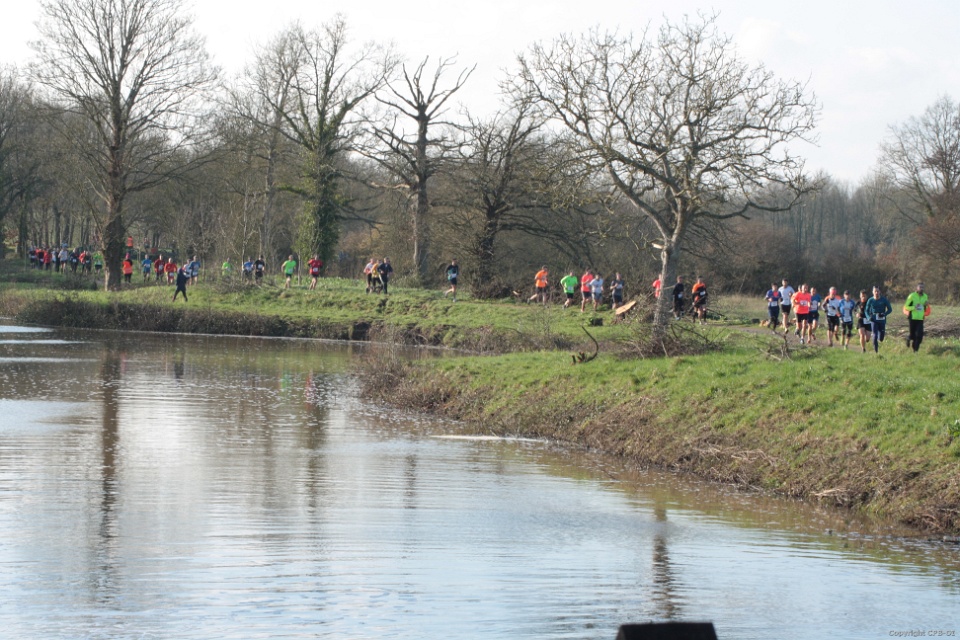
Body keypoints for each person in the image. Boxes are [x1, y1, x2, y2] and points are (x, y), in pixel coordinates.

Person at [864, 286, 892, 354]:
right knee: (875, 335)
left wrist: (884, 314)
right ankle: (876, 352)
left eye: (877, 291)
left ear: (880, 292)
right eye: (875, 291)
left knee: (881, 338)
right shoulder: (870, 300)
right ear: (872, 292)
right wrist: (868, 317)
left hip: (882, 320)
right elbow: (866, 310)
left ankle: (879, 338)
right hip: (874, 319)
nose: (876, 293)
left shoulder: (884, 300)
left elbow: (890, 309)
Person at [903, 281, 929, 353]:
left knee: (919, 336)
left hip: (920, 318)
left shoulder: (925, 296)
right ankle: (908, 339)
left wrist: (926, 305)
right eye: (920, 287)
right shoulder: (912, 296)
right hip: (912, 318)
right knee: (912, 335)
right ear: (917, 288)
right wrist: (914, 307)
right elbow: (906, 307)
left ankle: (915, 350)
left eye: (923, 287)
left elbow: (925, 308)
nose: (921, 289)